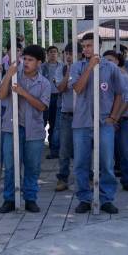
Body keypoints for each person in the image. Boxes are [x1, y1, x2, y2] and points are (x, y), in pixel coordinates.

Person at [0, 44, 53, 213]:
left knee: (32, 166)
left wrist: (24, 93)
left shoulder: (44, 83)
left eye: (30, 60)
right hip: (11, 128)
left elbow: (43, 106)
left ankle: (30, 198)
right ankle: (9, 199)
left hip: (34, 130)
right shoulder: (15, 76)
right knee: (11, 166)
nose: (26, 62)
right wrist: (8, 74)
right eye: (25, 59)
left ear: (39, 63)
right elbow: (1, 95)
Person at [104, 49, 128, 192]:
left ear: (117, 61)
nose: (107, 64)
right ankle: (106, 182)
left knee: (125, 151)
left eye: (110, 60)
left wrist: (115, 118)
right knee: (107, 153)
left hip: (121, 120)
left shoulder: (123, 76)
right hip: (108, 120)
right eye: (105, 61)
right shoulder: (103, 77)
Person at [54, 44, 77, 192]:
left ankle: (88, 177)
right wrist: (69, 71)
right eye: (67, 53)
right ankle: (63, 178)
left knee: (85, 147)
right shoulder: (61, 69)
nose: (69, 56)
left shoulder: (85, 67)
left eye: (72, 53)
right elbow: (61, 88)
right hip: (66, 114)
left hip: (83, 114)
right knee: (64, 149)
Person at [42, 45, 64, 159]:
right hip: (45, 97)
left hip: (58, 97)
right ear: (47, 54)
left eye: (55, 52)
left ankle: (53, 147)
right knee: (43, 122)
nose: (53, 54)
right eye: (50, 52)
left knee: (55, 124)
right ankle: (40, 146)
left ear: (58, 54)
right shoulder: (42, 67)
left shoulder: (62, 66)